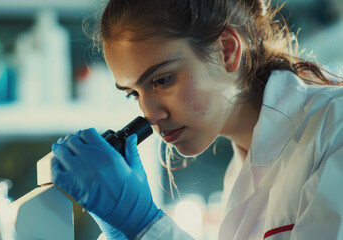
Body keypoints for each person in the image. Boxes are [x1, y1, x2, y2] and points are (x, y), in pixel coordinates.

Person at [51, 0, 343, 239]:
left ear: (227, 51)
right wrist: (128, 231)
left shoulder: (335, 130)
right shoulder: (240, 174)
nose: (149, 114)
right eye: (133, 94)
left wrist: (145, 225)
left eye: (162, 80)